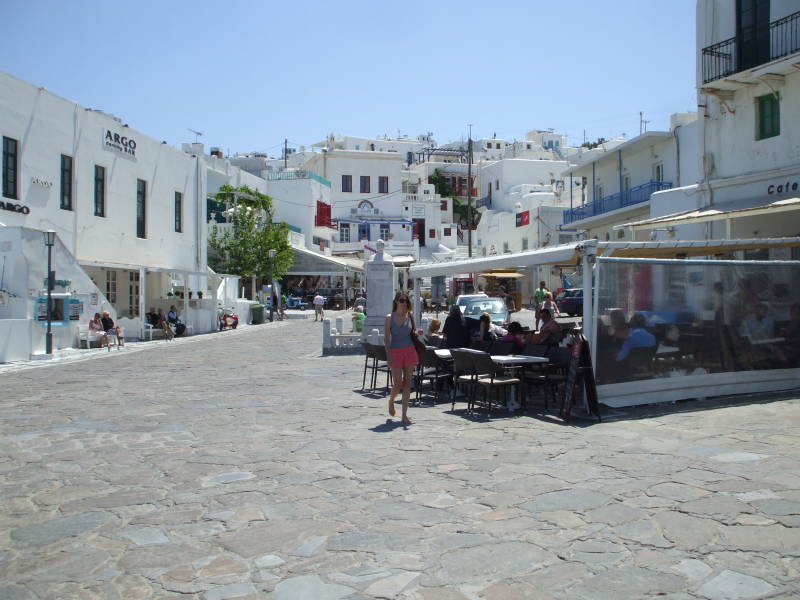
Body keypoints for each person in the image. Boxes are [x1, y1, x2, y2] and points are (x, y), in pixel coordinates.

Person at [384, 291, 418, 425]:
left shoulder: (410, 316)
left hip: (409, 351)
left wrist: (418, 332)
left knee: (408, 383)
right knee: (398, 384)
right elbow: (386, 338)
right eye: (402, 301)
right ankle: (391, 400)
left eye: (406, 301)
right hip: (395, 352)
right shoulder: (389, 317)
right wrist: (388, 355)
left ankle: (404, 415)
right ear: (397, 301)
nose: (405, 303)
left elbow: (413, 332)